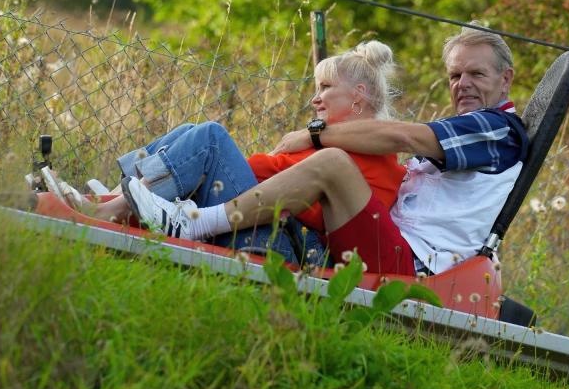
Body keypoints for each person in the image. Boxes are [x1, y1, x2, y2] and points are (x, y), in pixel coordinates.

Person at [120, 27, 530, 276]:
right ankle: (119, 199)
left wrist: (314, 136)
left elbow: (403, 136)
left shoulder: (498, 129)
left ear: (506, 79)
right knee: (205, 136)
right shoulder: (469, 134)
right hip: (376, 241)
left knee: (327, 161)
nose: (462, 84)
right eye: (455, 75)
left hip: (407, 263)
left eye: (476, 74)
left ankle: (189, 223)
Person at [56, 41, 407, 263]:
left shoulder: (375, 158)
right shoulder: (328, 142)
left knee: (210, 138)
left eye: (326, 88)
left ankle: (110, 211)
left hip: (281, 241)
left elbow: (317, 212)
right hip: (252, 219)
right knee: (189, 131)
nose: (315, 99)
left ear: (359, 96)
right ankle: (112, 197)